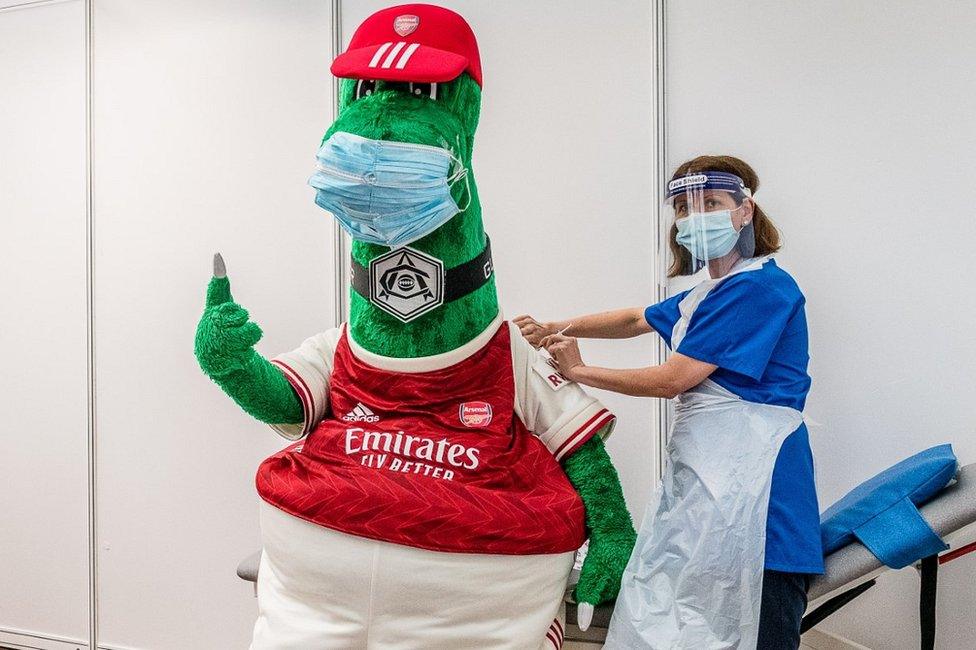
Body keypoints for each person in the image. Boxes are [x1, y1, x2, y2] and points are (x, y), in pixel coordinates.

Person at [516, 155, 822, 649]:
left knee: (751, 624)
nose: (693, 216)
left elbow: (672, 380)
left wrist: (577, 370)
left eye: (711, 203)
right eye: (682, 207)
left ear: (745, 211)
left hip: (758, 494)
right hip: (709, 483)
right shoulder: (708, 293)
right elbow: (634, 319)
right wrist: (555, 327)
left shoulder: (762, 288)